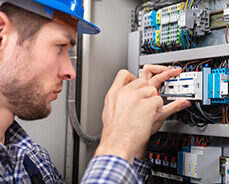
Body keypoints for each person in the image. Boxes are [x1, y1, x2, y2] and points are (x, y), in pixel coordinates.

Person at [0, 0, 192, 183]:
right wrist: (119, 140)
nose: (71, 72)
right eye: (60, 46)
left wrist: (135, 141)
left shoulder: (29, 157)